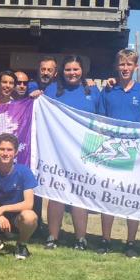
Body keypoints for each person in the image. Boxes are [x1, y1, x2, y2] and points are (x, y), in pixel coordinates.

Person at [43, 55, 101, 251]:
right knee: (56, 193)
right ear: (62, 71)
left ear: (82, 71)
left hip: (84, 150)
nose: (72, 73)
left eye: (76, 69)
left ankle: (80, 239)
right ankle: (52, 237)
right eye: (68, 69)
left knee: (80, 194)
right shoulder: (51, 90)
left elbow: (101, 121)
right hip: (57, 150)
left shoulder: (92, 91)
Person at [97, 49, 140, 257]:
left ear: (136, 67)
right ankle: (105, 240)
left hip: (134, 150)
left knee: (132, 196)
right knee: (108, 195)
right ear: (116, 66)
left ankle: (131, 242)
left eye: (129, 64)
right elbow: (101, 120)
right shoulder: (108, 90)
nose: (125, 68)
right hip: (112, 149)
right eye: (122, 64)